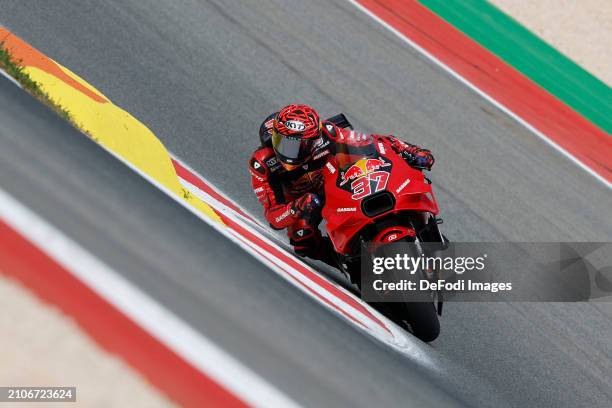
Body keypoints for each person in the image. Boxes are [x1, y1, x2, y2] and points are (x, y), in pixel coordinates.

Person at [248, 104, 434, 267]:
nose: (286, 152)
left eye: (295, 146)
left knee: (385, 170)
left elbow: (369, 141)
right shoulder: (262, 164)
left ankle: (422, 224)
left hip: (337, 181)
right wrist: (298, 207)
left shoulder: (327, 131)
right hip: (302, 201)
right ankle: (347, 263)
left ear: (313, 141)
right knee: (302, 239)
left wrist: (408, 150)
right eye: (280, 142)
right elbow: (274, 218)